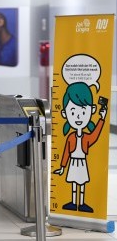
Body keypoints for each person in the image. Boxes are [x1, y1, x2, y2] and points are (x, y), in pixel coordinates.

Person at [53, 82, 107, 213]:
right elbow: (66, 152)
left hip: (82, 163)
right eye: (73, 111)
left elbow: (95, 135)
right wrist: (62, 167)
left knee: (81, 183)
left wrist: (102, 119)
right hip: (73, 162)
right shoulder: (71, 137)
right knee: (73, 182)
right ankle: (73, 202)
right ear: (65, 114)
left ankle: (81, 203)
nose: (78, 116)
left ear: (92, 110)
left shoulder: (87, 137)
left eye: (83, 111)